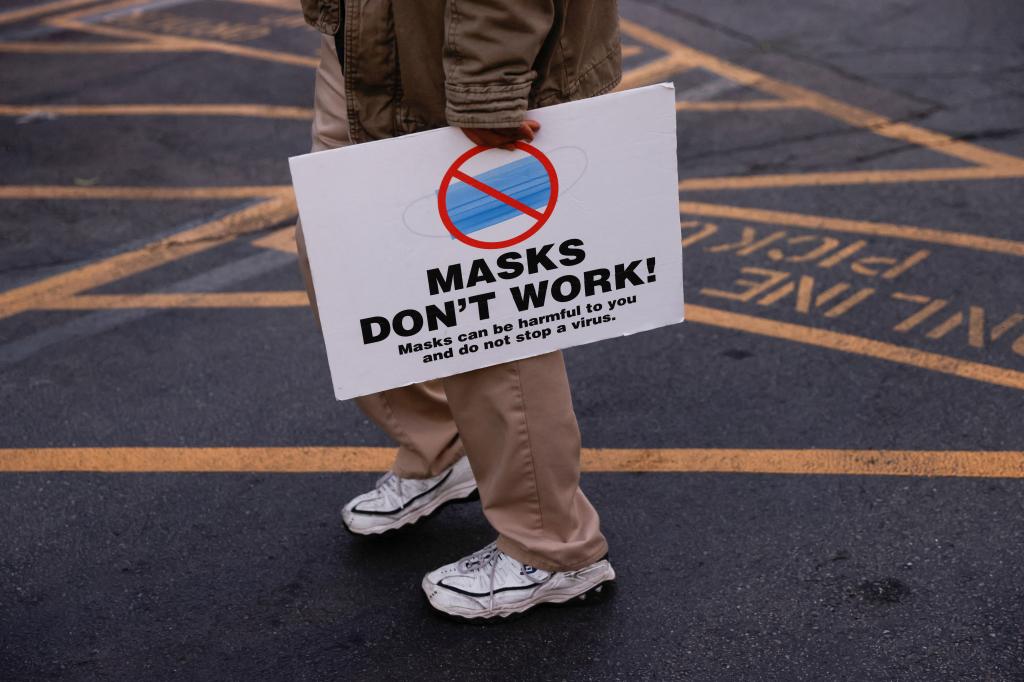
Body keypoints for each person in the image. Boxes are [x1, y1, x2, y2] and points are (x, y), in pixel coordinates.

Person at [295, 0, 621, 620]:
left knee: (488, 302)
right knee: (340, 254)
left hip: (471, 59)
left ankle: (552, 547)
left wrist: (488, 88)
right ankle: (442, 447)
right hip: (367, 39)